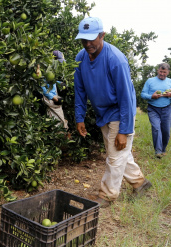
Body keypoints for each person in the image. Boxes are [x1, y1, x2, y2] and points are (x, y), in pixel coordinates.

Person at [74, 17, 152, 207]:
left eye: (92, 38)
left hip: (120, 110)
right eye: (84, 39)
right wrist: (79, 117)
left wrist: (125, 130)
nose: (88, 43)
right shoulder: (80, 58)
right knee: (119, 153)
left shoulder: (115, 59)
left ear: (102, 35)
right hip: (103, 113)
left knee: (115, 154)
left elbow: (126, 97)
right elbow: (80, 90)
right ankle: (140, 183)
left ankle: (107, 195)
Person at [141, 63, 171, 158]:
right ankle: (158, 151)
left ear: (168, 72)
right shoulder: (150, 81)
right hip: (153, 109)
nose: (162, 74)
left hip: (167, 109)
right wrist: (152, 96)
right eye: (161, 71)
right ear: (157, 71)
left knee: (166, 131)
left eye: (164, 72)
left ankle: (163, 149)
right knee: (156, 128)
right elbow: (143, 94)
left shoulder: (170, 81)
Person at [41, 50, 68, 130]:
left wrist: (60, 83)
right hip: (50, 98)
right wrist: (53, 98)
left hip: (54, 97)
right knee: (55, 121)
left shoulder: (52, 70)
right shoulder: (44, 70)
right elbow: (41, 86)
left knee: (60, 119)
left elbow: (51, 81)